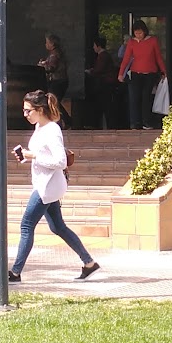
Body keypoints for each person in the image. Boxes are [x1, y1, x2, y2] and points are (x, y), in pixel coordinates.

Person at [8, 88, 100, 282]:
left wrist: (33, 156)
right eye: (24, 110)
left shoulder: (52, 130)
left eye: (28, 110)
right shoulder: (39, 128)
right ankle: (89, 263)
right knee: (58, 227)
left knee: (26, 225)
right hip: (44, 184)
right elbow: (42, 155)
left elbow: (60, 161)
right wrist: (26, 155)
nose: (25, 114)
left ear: (40, 110)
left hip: (48, 186)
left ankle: (15, 272)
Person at [118, 19, 165, 129]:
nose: (138, 35)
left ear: (144, 31)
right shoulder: (132, 42)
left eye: (140, 33)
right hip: (136, 73)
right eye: (136, 33)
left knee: (146, 98)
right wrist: (121, 73)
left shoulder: (153, 41)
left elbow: (158, 57)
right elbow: (126, 59)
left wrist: (163, 71)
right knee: (135, 99)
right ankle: (135, 123)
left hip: (150, 74)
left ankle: (146, 122)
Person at [83, 35, 118, 129]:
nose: (93, 47)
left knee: (106, 105)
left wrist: (91, 71)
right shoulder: (103, 56)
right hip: (106, 83)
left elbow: (99, 70)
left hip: (106, 83)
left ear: (98, 46)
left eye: (94, 45)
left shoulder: (103, 56)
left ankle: (107, 125)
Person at [37, 33, 72, 123]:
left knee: (53, 102)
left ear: (52, 44)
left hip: (57, 81)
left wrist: (42, 66)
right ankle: (64, 120)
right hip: (61, 81)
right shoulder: (57, 54)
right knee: (55, 102)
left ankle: (66, 120)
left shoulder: (54, 55)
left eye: (47, 42)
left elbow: (51, 68)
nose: (46, 44)